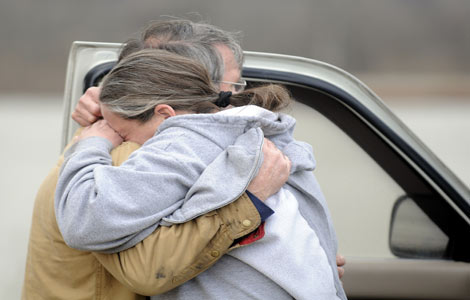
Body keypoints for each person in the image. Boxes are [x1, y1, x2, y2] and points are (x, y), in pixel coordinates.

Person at [21, 22, 292, 300]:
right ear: (177, 82)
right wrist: (250, 201)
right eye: (232, 85)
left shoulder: (131, 143)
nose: (234, 99)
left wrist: (297, 265)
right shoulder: (126, 154)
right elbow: (148, 269)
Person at [55, 48, 347, 299]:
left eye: (121, 131)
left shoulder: (184, 144)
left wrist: (92, 142)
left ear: (165, 115)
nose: (123, 142)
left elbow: (84, 220)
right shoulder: (262, 133)